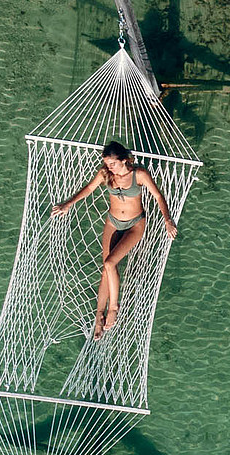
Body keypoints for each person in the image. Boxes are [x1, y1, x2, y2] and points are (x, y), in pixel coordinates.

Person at [51, 142, 177, 339]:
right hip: (112, 222)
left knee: (110, 264)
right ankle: (98, 316)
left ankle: (113, 308)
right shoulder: (105, 174)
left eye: (112, 163)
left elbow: (158, 197)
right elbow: (89, 188)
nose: (109, 167)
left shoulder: (139, 175)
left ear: (124, 160)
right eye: (107, 164)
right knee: (106, 270)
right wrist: (68, 204)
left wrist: (167, 220)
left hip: (135, 225)